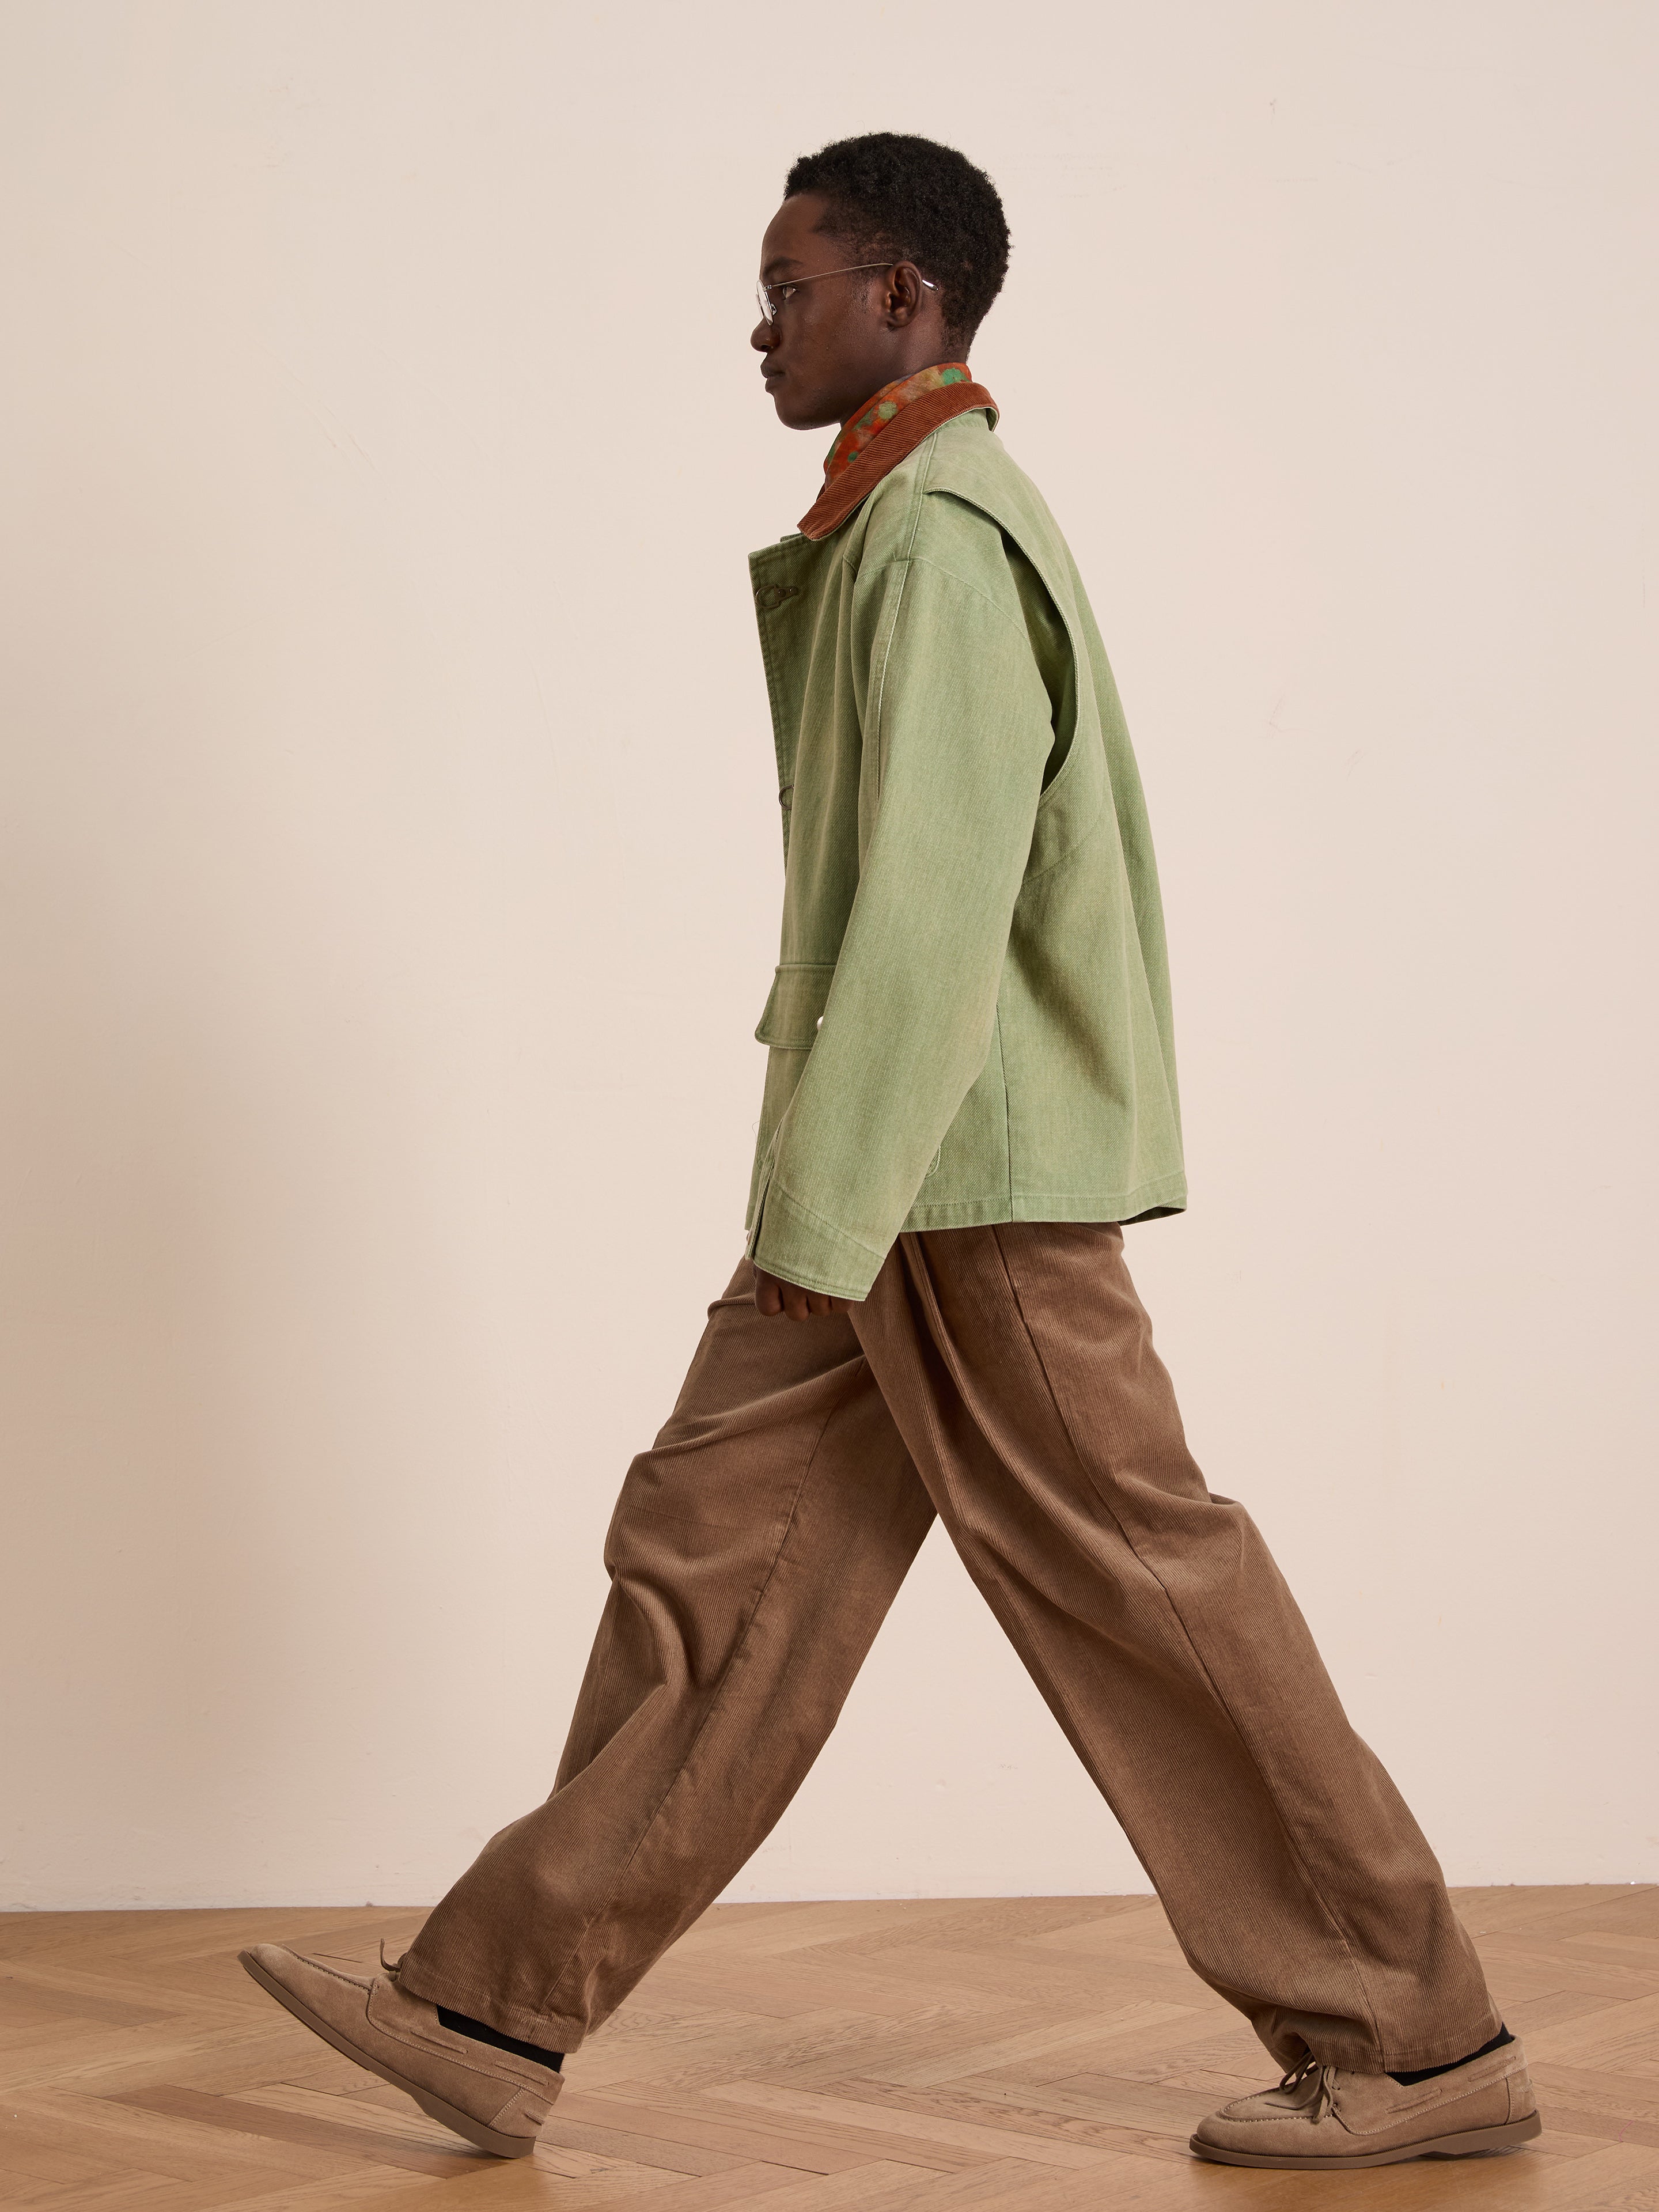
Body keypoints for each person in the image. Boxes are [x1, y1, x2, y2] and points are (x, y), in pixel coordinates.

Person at [240, 131, 1540, 2173]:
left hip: (961, 1179)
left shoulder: (937, 539)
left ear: (906, 301)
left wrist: (821, 1222)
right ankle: (496, 2006)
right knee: (713, 1556)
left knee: (1141, 1585)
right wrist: (823, 1207)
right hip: (887, 1173)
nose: (760, 322)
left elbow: (932, 925)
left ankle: (1419, 2037)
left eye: (792, 285)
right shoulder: (890, 523)